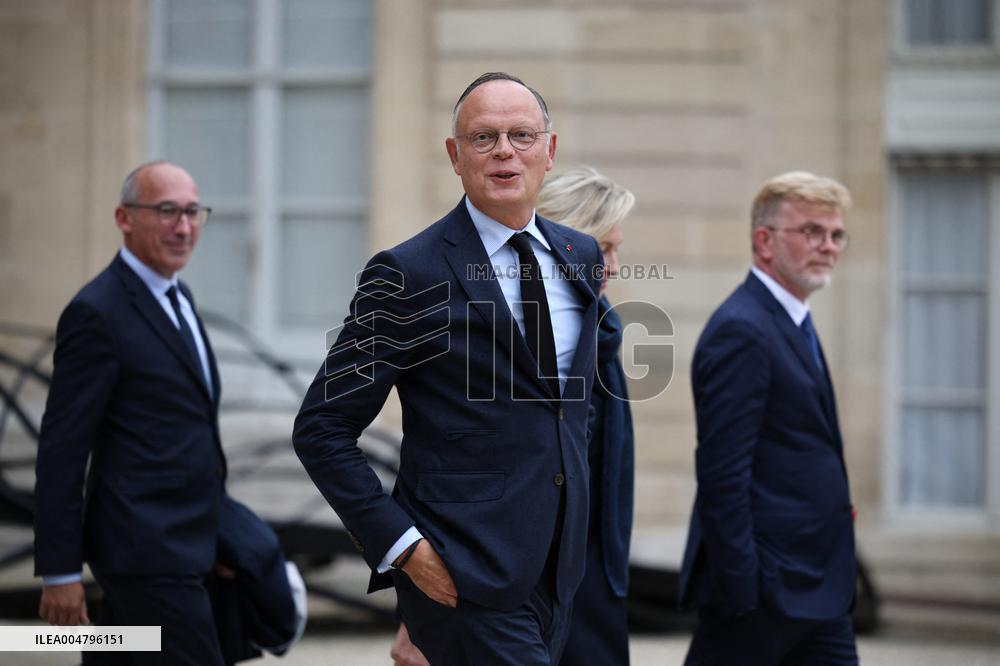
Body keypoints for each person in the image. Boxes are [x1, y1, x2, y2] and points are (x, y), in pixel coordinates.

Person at [294, 72, 604, 665]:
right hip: (462, 574)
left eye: (521, 135)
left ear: (550, 150)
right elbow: (321, 428)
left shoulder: (579, 255)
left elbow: (567, 411)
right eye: (484, 138)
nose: (505, 151)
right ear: (455, 156)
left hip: (558, 569)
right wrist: (405, 549)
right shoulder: (407, 273)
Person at [33, 161, 300, 665]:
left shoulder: (177, 296)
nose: (183, 227)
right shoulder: (97, 313)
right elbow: (62, 449)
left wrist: (217, 539)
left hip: (190, 542)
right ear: (124, 218)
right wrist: (61, 572)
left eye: (192, 212)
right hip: (146, 552)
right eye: (166, 212)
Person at [389, 166, 637, 666]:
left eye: (615, 249)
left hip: (589, 575)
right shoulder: (512, 329)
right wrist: (416, 609)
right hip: (514, 583)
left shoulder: (600, 330)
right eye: (601, 247)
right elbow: (465, 464)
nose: (610, 264)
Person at [678, 171, 858, 665]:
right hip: (764, 593)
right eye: (812, 232)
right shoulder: (742, 329)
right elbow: (722, 472)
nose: (828, 246)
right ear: (765, 241)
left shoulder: (793, 317)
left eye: (836, 234)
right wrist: (743, 590)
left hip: (818, 587)